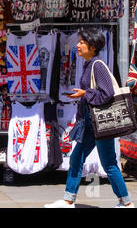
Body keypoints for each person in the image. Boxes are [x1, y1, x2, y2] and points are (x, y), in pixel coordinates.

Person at [44, 28, 134, 208]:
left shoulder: (97, 65)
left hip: (100, 123)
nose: (77, 45)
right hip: (90, 121)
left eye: (82, 43)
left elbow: (107, 93)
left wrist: (85, 93)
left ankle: (126, 203)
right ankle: (69, 200)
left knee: (109, 163)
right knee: (76, 159)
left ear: (92, 46)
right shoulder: (89, 63)